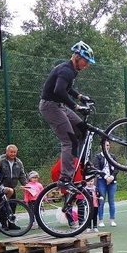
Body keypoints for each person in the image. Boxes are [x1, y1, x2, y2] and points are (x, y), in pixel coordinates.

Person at [39, 41, 94, 188]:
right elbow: (59, 91)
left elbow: (67, 88)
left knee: (83, 130)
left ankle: (83, 166)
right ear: (77, 56)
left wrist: (80, 97)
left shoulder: (72, 70)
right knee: (69, 140)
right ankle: (65, 178)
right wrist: (76, 106)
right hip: (50, 106)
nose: (87, 64)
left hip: (60, 106)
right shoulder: (66, 70)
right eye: (85, 61)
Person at [0, 144, 28, 231]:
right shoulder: (1, 160)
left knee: (13, 205)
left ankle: (11, 223)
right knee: (3, 204)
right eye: (11, 152)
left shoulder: (18, 162)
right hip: (2, 186)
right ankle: (3, 224)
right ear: (7, 152)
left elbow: (22, 175)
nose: (13, 154)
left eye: (14, 152)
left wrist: (25, 184)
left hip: (13, 186)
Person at [92, 141, 118, 227]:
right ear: (101, 146)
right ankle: (101, 220)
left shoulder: (113, 156)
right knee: (101, 200)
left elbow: (116, 168)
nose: (106, 147)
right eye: (104, 145)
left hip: (112, 181)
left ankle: (112, 219)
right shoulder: (98, 157)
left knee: (111, 201)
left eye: (108, 145)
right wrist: (106, 177)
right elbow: (97, 168)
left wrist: (112, 177)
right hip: (102, 180)